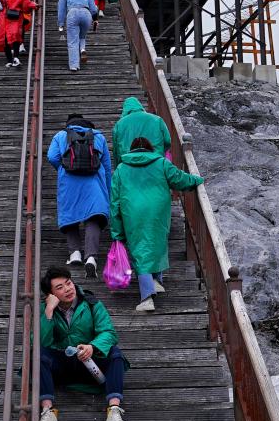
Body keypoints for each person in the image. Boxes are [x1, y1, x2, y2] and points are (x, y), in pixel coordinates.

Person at [108, 136, 202, 311]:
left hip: (132, 212)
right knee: (156, 243)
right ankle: (157, 281)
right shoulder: (161, 163)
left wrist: (116, 229)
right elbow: (179, 179)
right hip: (158, 210)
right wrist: (197, 180)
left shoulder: (121, 169)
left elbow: (114, 201)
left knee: (139, 250)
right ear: (151, 149)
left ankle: (147, 298)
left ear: (131, 150)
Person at [38, 265, 127, 421]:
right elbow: (41, 342)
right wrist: (48, 312)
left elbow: (109, 332)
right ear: (50, 294)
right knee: (39, 355)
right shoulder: (45, 310)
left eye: (68, 283)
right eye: (60, 287)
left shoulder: (91, 303)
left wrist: (92, 346)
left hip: (91, 365)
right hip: (62, 367)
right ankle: (47, 412)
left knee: (115, 353)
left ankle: (114, 410)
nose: (67, 289)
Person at [47, 111, 112, 276]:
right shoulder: (98, 136)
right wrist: (109, 190)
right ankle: (91, 258)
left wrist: (64, 168)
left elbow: (52, 157)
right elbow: (106, 165)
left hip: (69, 183)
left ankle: (75, 252)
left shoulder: (61, 136)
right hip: (94, 184)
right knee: (93, 217)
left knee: (70, 215)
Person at [110, 94, 170, 166]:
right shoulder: (157, 120)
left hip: (129, 164)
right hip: (155, 161)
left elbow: (116, 149)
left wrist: (118, 166)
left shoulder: (119, 124)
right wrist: (160, 152)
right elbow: (167, 141)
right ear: (140, 106)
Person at [57, 0, 98, 71]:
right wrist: (95, 19)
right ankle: (82, 49)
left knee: (72, 41)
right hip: (86, 13)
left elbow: (61, 9)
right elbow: (93, 8)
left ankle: (74, 65)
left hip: (73, 13)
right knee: (82, 36)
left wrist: (61, 23)